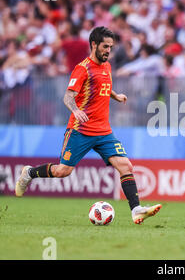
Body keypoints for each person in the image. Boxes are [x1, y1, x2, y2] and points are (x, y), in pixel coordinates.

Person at [15, 26, 162, 225]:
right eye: (105, 46)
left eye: (110, 47)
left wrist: (115, 95)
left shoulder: (107, 67)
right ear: (94, 44)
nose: (108, 50)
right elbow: (68, 96)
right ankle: (29, 173)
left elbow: (103, 86)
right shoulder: (82, 68)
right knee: (63, 171)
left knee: (126, 166)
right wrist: (75, 110)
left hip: (103, 131)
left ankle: (136, 210)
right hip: (80, 130)